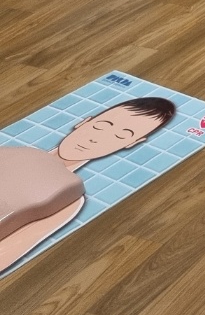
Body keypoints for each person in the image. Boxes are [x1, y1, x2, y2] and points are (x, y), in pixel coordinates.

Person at [0, 97, 177, 272]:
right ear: (85, 122)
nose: (95, 139)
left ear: (132, 143)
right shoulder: (13, 153)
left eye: (121, 135)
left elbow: (13, 248)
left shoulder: (67, 195)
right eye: (100, 126)